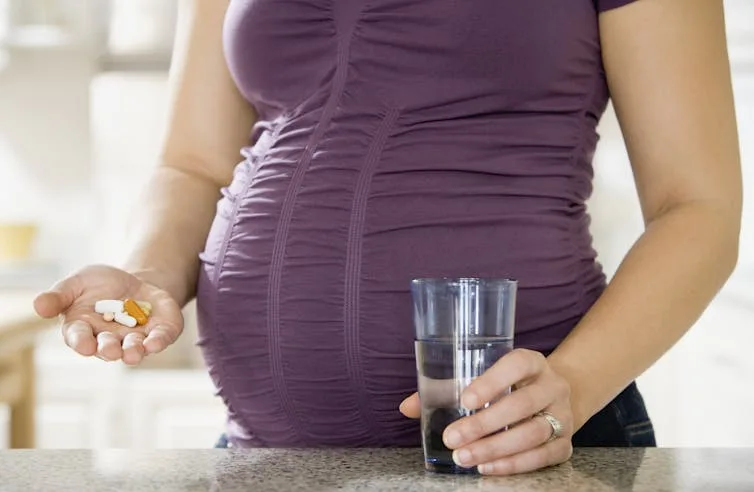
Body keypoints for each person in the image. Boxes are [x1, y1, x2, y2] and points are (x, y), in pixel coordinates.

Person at [34, 0, 741, 475]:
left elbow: (698, 206)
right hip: (271, 459)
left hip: (521, 454)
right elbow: (191, 163)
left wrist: (575, 386)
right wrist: (149, 274)